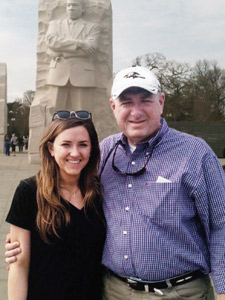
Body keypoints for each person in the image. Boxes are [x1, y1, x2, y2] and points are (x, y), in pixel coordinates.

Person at [6, 67, 225, 300]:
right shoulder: (106, 152)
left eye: (145, 100)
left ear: (161, 102)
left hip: (179, 293)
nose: (136, 111)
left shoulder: (194, 153)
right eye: (127, 102)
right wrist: (22, 243)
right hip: (113, 291)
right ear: (113, 107)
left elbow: (220, 225)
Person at [6, 111, 105, 300]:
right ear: (51, 148)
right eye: (66, 144)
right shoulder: (28, 191)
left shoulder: (98, 192)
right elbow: (18, 265)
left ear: (92, 149)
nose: (75, 153)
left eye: (83, 145)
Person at [45, 0, 100, 111]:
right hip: (58, 73)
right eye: (68, 5)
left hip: (83, 74)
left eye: (75, 5)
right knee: (55, 114)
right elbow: (51, 42)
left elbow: (90, 49)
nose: (71, 8)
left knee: (83, 114)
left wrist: (62, 51)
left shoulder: (92, 27)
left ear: (83, 9)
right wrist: (80, 43)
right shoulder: (55, 25)